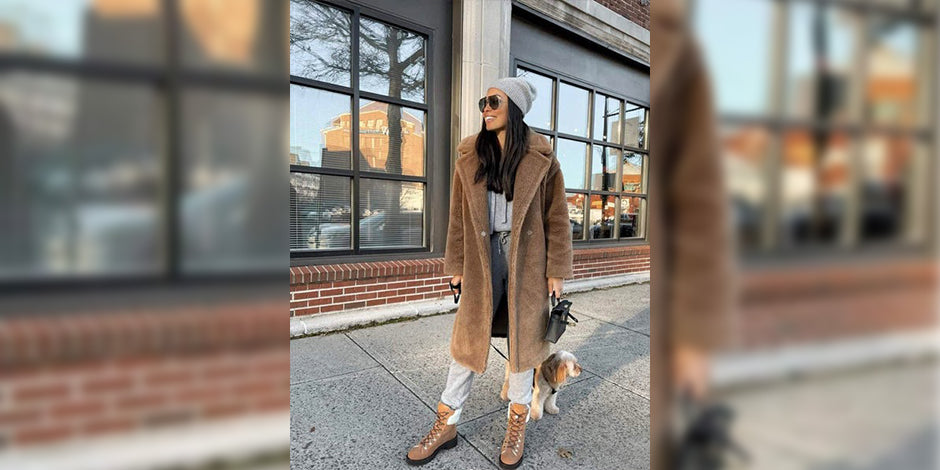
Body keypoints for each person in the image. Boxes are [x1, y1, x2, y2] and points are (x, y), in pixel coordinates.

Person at [405, 77, 573, 469]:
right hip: (482, 259)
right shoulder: (471, 154)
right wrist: (457, 264)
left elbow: (558, 218)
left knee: (522, 345)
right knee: (467, 340)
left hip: (527, 259)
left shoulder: (542, 158)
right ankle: (446, 424)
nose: (486, 107)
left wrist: (556, 270)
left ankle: (516, 425)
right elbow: (458, 219)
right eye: (484, 100)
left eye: (494, 101)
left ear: (513, 108)